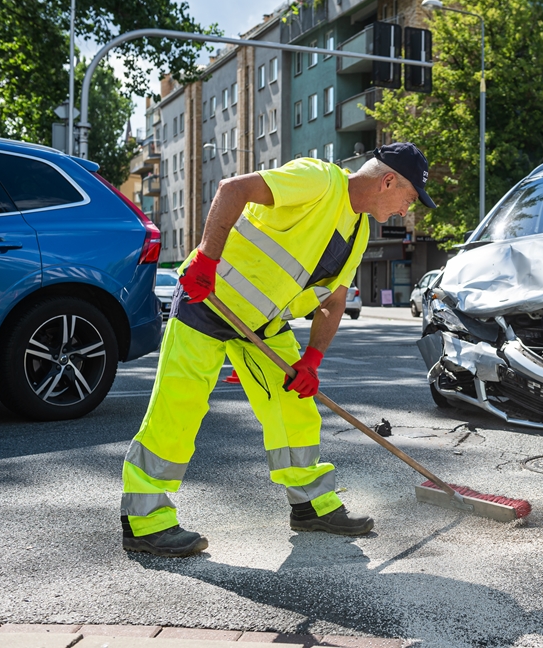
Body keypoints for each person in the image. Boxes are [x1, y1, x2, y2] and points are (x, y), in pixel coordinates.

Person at [120, 143, 436, 557]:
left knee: (295, 409)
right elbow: (233, 189)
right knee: (178, 408)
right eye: (409, 199)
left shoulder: (358, 229)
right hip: (208, 300)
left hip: (263, 323)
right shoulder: (318, 180)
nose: (404, 210)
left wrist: (313, 359)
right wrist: (205, 261)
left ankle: (311, 506)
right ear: (388, 180)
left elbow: (333, 300)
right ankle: (145, 521)